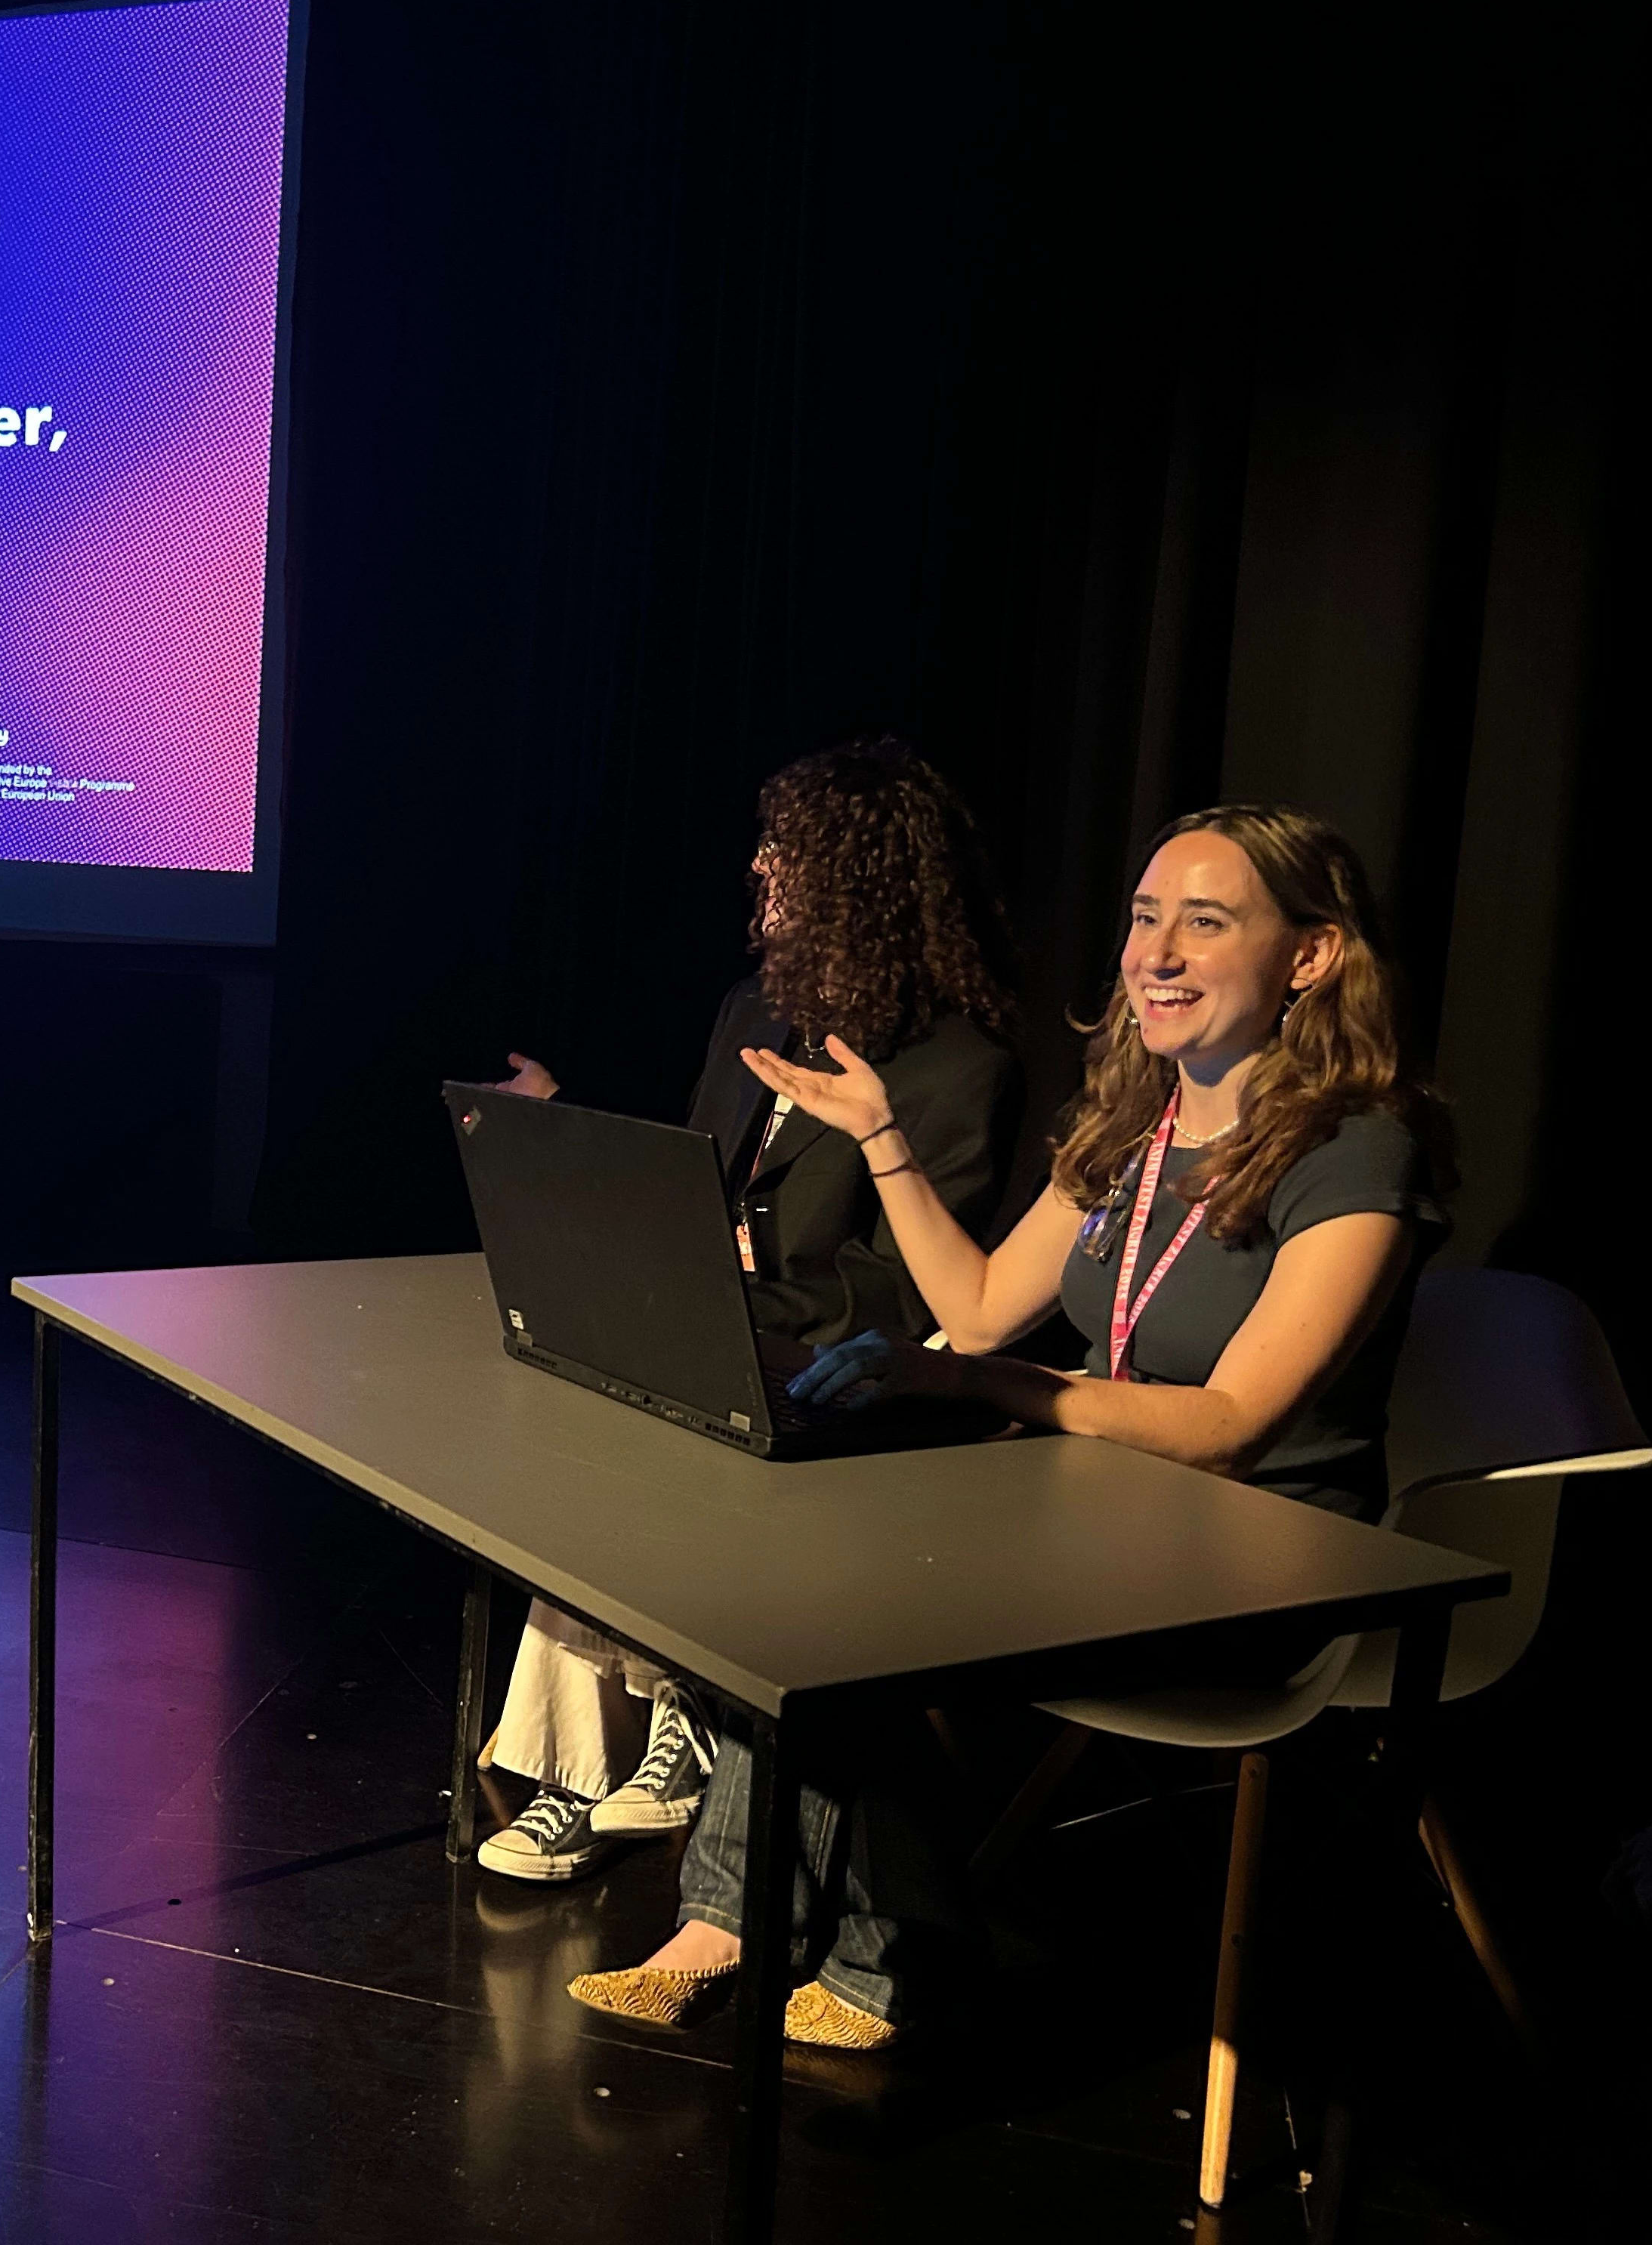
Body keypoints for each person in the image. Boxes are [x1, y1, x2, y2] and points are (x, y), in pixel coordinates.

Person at [567, 801, 1451, 2049]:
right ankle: (848, 1934)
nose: (1157, 954)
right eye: (1147, 919)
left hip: (1263, 1562)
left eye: (1207, 923)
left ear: (1309, 957)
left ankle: (855, 1942)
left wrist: (985, 1392)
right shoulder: (1137, 1128)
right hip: (1101, 1509)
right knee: (777, 1535)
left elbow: (1236, 1426)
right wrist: (880, 1136)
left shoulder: (1359, 1153)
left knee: (853, 1585)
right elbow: (978, 1311)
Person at [474, 739, 1024, 1882]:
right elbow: (697, 1181)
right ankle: (604, 1766)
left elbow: (909, 1284)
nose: (760, 873)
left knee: (636, 1425)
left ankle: (648, 1725)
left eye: (787, 855)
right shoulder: (749, 1010)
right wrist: (564, 1127)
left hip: (825, 1358)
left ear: (856, 885)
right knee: (588, 1397)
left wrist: (733, 1295)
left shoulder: (957, 1068)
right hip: (712, 1328)